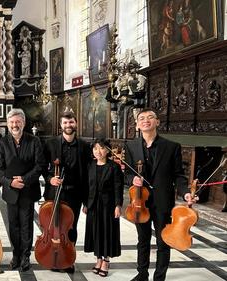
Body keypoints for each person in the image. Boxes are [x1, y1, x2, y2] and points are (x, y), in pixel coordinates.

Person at [125, 108, 196, 281]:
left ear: (157, 122)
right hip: (139, 201)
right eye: (141, 118)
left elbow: (178, 175)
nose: (146, 120)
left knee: (163, 241)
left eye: (150, 117)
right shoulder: (131, 146)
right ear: (137, 124)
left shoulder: (171, 147)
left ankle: (159, 277)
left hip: (163, 201)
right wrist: (132, 179)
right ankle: (142, 274)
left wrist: (186, 192)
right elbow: (126, 173)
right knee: (143, 240)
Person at [0, 108, 45, 272]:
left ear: (23, 123)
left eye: (17, 121)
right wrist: (10, 182)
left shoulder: (34, 141)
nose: (14, 125)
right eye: (11, 122)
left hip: (28, 189)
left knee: (26, 226)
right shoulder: (2, 143)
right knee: (13, 225)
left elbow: (40, 166)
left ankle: (25, 257)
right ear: (7, 124)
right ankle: (15, 255)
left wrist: (24, 179)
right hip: (11, 191)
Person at [43, 111, 91, 273]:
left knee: (70, 227)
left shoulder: (84, 146)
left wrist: (86, 200)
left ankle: (68, 259)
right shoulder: (50, 144)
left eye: (71, 122)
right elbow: (42, 167)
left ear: (76, 124)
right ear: (60, 125)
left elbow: (87, 174)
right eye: (65, 123)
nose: (68, 126)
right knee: (53, 227)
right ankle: (52, 256)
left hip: (75, 194)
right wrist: (50, 178)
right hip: (54, 192)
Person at [83, 138, 124, 278]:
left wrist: (118, 205)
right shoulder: (90, 165)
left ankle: (106, 260)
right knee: (96, 231)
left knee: (107, 231)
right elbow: (87, 187)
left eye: (101, 148)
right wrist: (85, 204)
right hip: (93, 204)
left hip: (109, 205)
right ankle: (98, 259)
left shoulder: (114, 167)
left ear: (107, 150)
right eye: (95, 149)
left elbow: (118, 187)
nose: (98, 151)